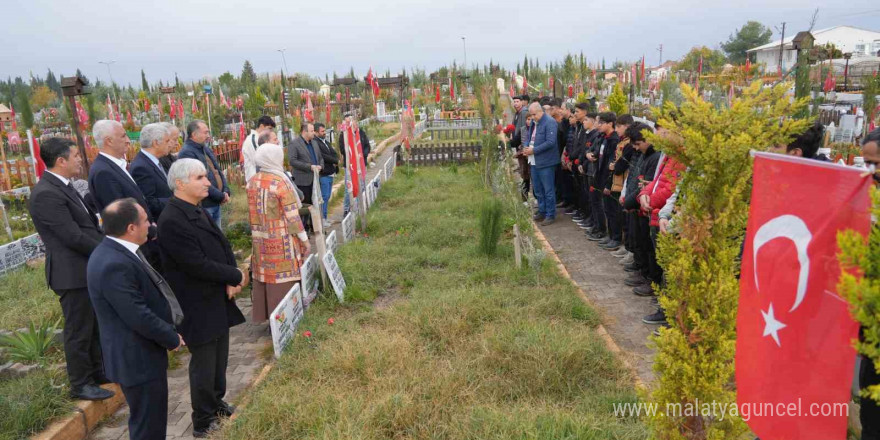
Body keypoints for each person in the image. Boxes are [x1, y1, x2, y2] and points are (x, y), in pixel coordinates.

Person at [87, 198, 184, 440]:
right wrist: (170, 337)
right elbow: (137, 314)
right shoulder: (114, 263)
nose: (150, 224)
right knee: (147, 427)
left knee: (150, 422)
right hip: (136, 359)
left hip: (139, 356)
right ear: (131, 228)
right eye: (144, 221)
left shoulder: (116, 251)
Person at [28, 137, 112, 401]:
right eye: (75, 155)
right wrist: (107, 251)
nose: (80, 159)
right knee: (79, 330)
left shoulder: (63, 186)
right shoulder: (45, 194)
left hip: (85, 269)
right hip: (71, 274)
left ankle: (98, 372)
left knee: (94, 325)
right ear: (61, 160)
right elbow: (72, 237)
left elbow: (88, 225)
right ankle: (80, 383)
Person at [247, 143, 311, 322]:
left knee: (266, 277)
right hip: (281, 243)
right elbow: (292, 216)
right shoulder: (280, 181)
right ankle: (286, 320)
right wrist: (304, 240)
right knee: (282, 284)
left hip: (260, 242)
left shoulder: (252, 181)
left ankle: (268, 317)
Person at [88, 120, 150, 218]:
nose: (128, 140)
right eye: (123, 136)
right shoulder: (103, 173)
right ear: (109, 141)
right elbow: (121, 216)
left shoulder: (114, 165)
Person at [178, 120, 230, 228]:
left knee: (217, 238)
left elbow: (218, 170)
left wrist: (225, 190)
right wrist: (220, 196)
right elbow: (198, 180)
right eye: (205, 132)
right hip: (205, 205)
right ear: (194, 134)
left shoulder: (205, 148)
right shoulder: (187, 152)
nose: (208, 135)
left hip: (216, 202)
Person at [524, 102, 560, 225]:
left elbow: (550, 142)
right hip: (534, 160)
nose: (532, 117)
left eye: (534, 114)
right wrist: (526, 146)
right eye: (531, 115)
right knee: (538, 189)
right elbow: (529, 137)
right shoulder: (535, 122)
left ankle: (550, 214)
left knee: (548, 189)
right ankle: (542, 210)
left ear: (540, 111)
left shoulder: (549, 122)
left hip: (546, 161)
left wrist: (533, 150)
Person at [131, 123, 173, 220]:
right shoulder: (141, 167)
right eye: (167, 141)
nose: (170, 144)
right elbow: (149, 203)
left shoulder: (155, 160)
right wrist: (179, 200)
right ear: (156, 143)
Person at [288, 122, 324, 205]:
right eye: (311, 131)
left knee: (317, 205)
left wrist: (321, 166)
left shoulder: (314, 142)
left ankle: (317, 218)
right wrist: (309, 167)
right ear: (304, 132)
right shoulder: (294, 144)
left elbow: (320, 158)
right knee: (307, 207)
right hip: (303, 183)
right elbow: (292, 161)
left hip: (316, 180)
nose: (314, 133)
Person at [314, 122, 339, 227]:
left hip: (330, 172)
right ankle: (322, 219)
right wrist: (334, 160)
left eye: (324, 131)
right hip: (324, 174)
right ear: (316, 132)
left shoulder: (325, 142)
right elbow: (323, 156)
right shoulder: (316, 143)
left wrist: (335, 159)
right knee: (324, 197)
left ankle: (325, 217)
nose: (324, 133)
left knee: (327, 196)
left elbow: (334, 153)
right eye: (322, 131)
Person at [240, 116, 277, 182]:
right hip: (255, 180)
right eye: (269, 128)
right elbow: (259, 161)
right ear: (262, 126)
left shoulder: (259, 138)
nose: (270, 131)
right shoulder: (253, 140)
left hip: (262, 178)